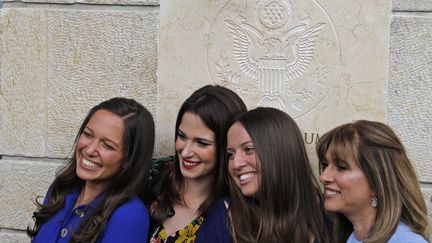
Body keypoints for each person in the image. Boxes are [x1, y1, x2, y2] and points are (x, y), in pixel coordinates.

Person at [27, 97, 155, 243]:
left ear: (129, 159)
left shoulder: (129, 216)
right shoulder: (62, 189)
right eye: (88, 134)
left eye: (107, 145)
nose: (89, 150)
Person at [148, 85, 247, 243]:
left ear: (227, 146)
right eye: (182, 136)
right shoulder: (152, 177)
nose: (185, 152)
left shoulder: (232, 212)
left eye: (201, 143)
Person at [226, 107, 331, 243]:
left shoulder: (331, 216)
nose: (235, 164)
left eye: (249, 149)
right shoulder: (224, 219)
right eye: (230, 154)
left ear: (280, 152)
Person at [317, 120, 429, 243]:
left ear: (377, 180)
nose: (323, 177)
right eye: (325, 164)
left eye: (342, 167)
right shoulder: (353, 237)